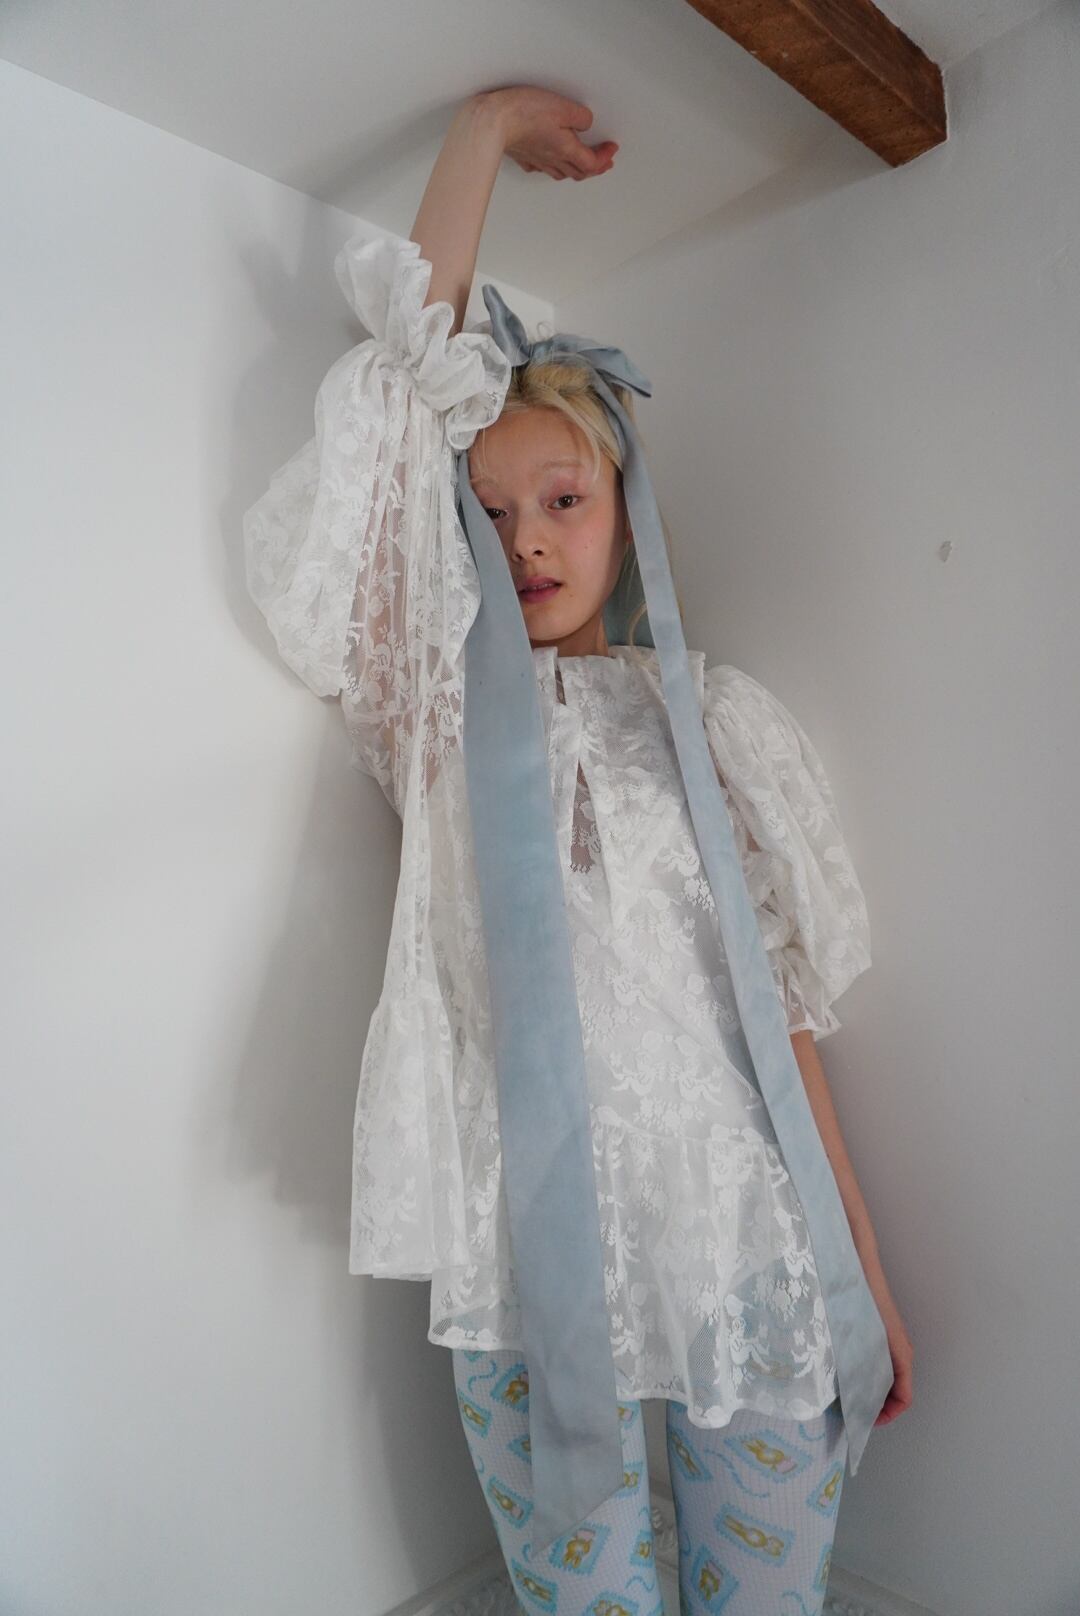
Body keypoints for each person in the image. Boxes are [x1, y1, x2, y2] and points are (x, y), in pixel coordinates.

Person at [243, 84, 914, 1616]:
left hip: (743, 1231)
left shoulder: (713, 724)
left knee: (771, 1590)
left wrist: (861, 1269)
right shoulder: (435, 710)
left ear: (624, 508)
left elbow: (779, 1025)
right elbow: (406, 410)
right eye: (492, 515)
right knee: (587, 1598)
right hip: (528, 1248)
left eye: (563, 499)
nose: (529, 538)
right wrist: (481, 135)